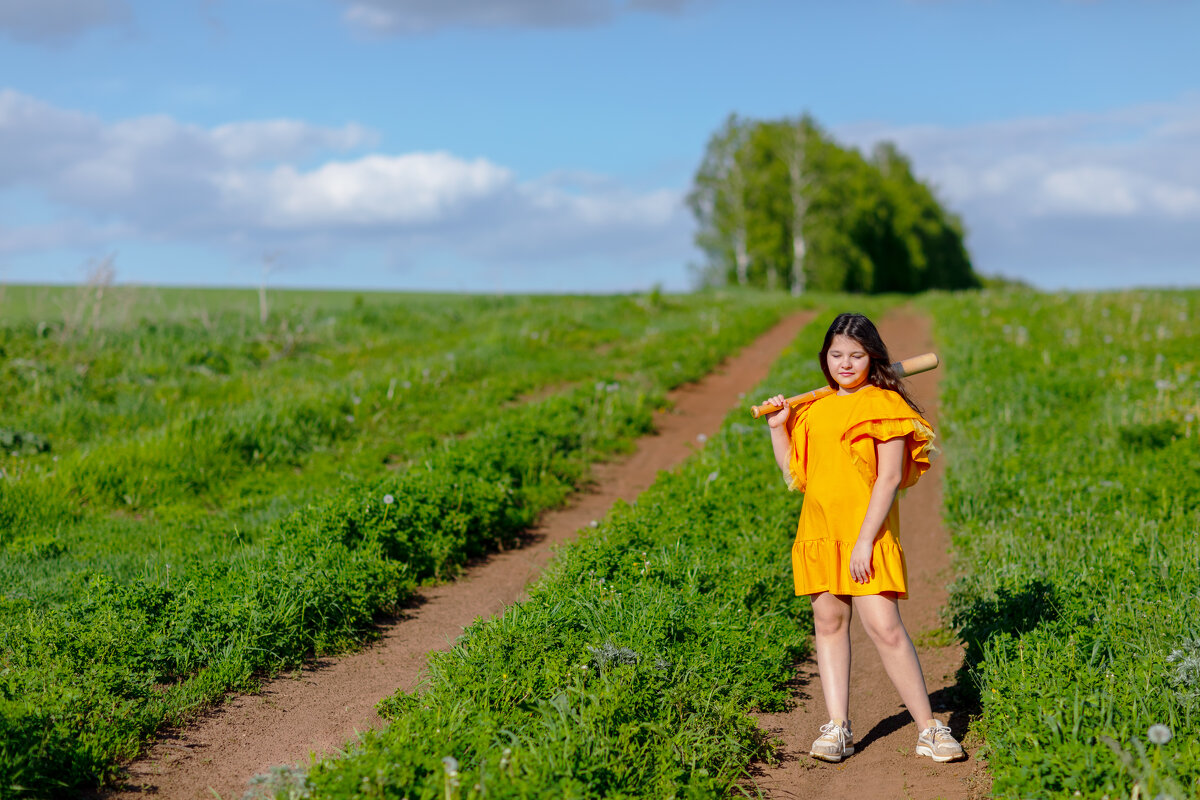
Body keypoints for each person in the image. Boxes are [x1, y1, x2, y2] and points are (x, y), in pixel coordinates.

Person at [761, 312, 965, 764]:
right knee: (829, 625)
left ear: (873, 359)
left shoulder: (885, 406)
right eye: (837, 355)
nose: (846, 363)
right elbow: (796, 475)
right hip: (819, 532)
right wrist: (779, 430)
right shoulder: (814, 409)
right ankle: (838, 727)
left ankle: (929, 728)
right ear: (825, 358)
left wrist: (863, 541)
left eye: (857, 355)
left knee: (885, 628)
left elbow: (889, 478)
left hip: (865, 537)